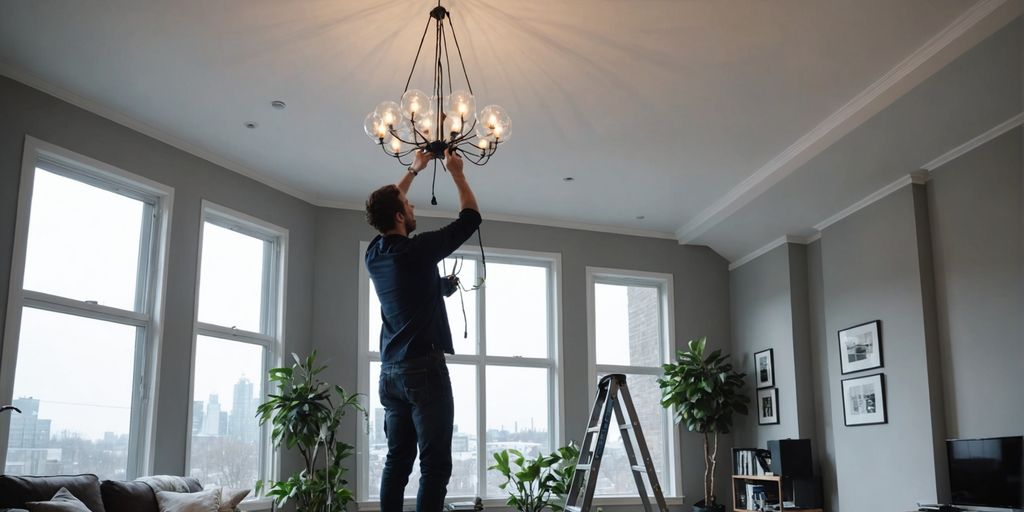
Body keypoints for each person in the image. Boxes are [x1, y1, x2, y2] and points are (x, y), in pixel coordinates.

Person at [364, 148, 480, 512]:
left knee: (397, 462)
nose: (413, 208)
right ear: (399, 217)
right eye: (409, 206)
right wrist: (456, 173)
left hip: (390, 376)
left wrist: (414, 169)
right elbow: (470, 219)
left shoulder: (374, 253)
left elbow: (385, 206)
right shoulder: (419, 250)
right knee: (435, 466)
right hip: (423, 373)